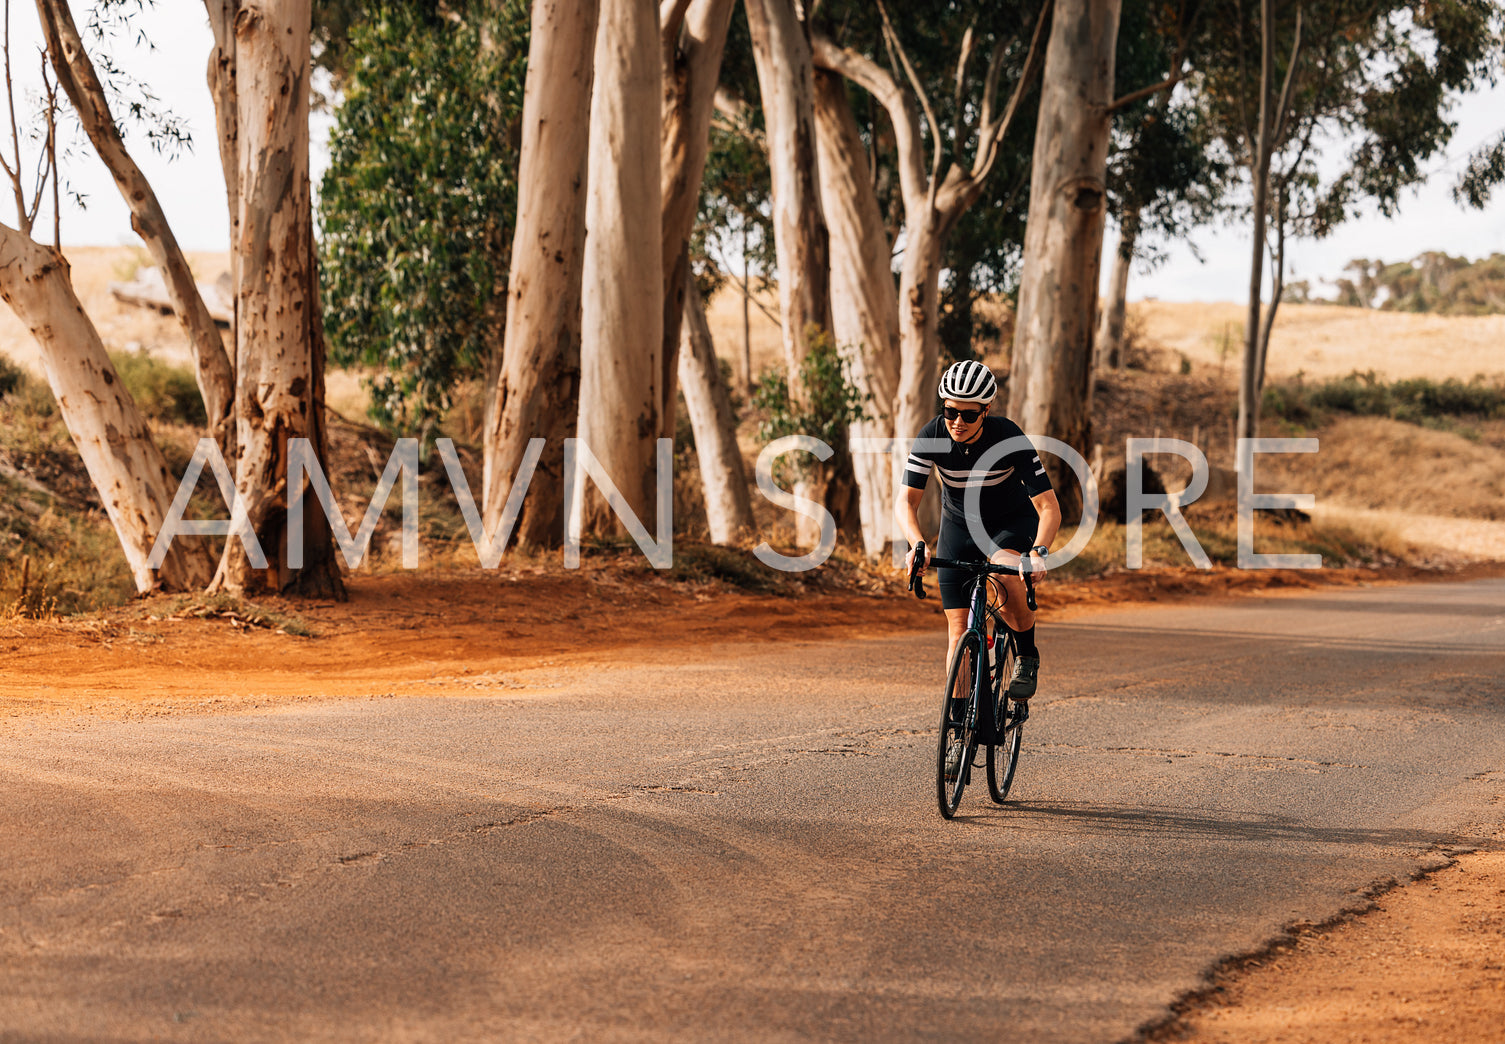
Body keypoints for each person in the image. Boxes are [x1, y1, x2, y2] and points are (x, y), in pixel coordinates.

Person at [897, 359, 1062, 707]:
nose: (957, 422)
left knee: (1005, 576)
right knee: (958, 633)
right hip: (958, 525)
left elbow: (1048, 507)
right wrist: (918, 544)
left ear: (985, 411)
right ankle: (958, 729)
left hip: (1008, 524)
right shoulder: (932, 436)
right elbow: (905, 503)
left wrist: (1039, 551)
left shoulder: (1007, 437)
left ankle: (1026, 656)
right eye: (950, 411)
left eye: (969, 415)